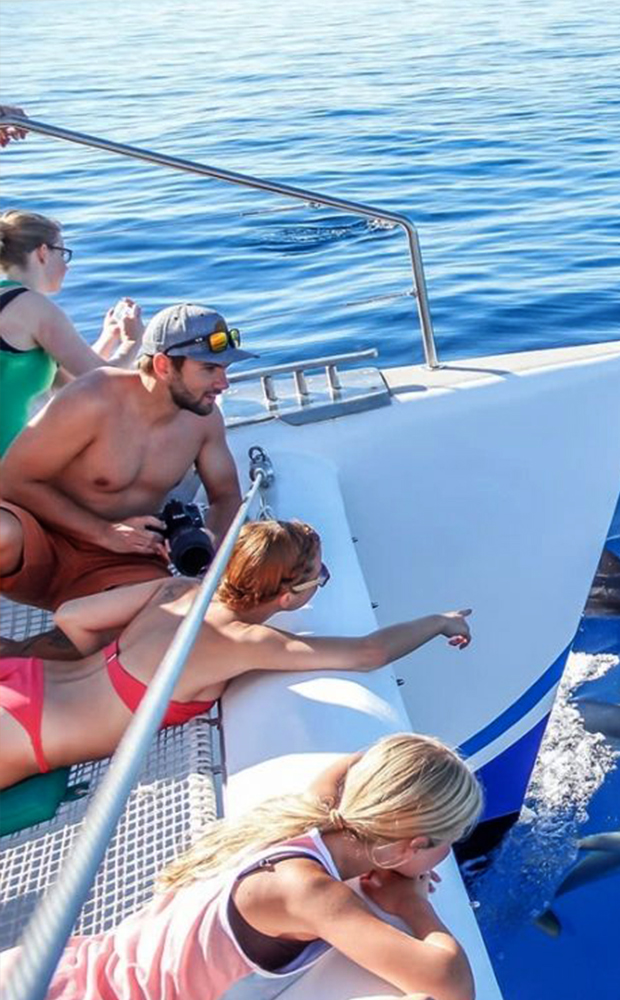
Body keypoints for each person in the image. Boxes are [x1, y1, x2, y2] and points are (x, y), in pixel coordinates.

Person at [0, 733, 482, 1000]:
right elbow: (451, 983)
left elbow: (350, 764)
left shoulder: (307, 815)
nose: (447, 855)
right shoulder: (306, 892)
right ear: (406, 847)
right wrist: (412, 903)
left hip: (58, 969)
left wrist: (397, 846)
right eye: (448, 842)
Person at [0, 519, 473, 789]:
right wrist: (437, 621)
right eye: (319, 575)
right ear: (289, 595)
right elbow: (369, 653)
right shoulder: (244, 641)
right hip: (24, 733)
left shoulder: (177, 588)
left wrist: (99, 674)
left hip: (22, 681)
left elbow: (71, 616)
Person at [0, 302, 253, 627]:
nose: (223, 384)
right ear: (163, 365)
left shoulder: (205, 421)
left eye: (225, 369)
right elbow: (10, 481)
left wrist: (210, 543)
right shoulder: (94, 397)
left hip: (124, 559)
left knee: (157, 624)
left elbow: (226, 496)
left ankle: (23, 655)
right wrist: (102, 533)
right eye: (209, 369)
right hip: (43, 540)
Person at [0, 209, 145, 454]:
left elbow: (67, 383)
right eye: (63, 254)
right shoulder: (34, 307)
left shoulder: (9, 301)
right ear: (43, 253)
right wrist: (133, 342)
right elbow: (99, 382)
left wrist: (108, 338)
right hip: (9, 467)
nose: (67, 268)